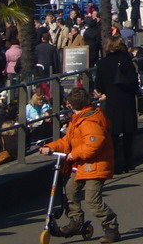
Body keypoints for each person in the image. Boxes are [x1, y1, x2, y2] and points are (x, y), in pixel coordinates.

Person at [39, 87, 120, 243]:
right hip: (81, 165)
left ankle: (111, 227)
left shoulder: (90, 121)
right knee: (70, 191)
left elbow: (94, 144)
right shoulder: (78, 119)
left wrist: (73, 154)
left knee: (92, 200)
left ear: (71, 104)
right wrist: (51, 147)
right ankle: (76, 222)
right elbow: (68, 142)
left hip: (95, 165)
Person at [93, 37, 140, 174]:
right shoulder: (126, 60)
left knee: (113, 135)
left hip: (112, 102)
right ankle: (128, 162)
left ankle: (115, 163)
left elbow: (99, 85)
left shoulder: (102, 63)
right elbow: (134, 83)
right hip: (126, 100)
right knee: (128, 134)